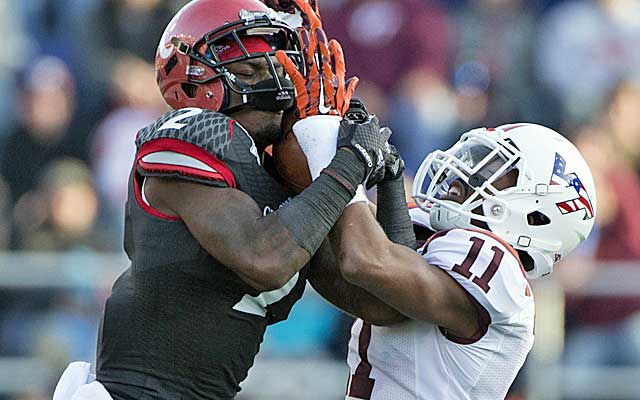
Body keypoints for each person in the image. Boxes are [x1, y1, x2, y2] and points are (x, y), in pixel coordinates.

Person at [53, 0, 402, 399]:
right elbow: (263, 258)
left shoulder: (280, 184)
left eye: (280, 64)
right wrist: (349, 164)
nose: (281, 84)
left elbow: (387, 304)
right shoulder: (190, 131)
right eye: (252, 70)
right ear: (192, 87)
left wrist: (386, 172)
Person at [296, 122, 596, 399]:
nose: (462, 171)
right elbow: (341, 259)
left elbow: (365, 261)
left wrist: (330, 151)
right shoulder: (440, 236)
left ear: (536, 214)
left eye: (494, 164)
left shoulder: (496, 265)